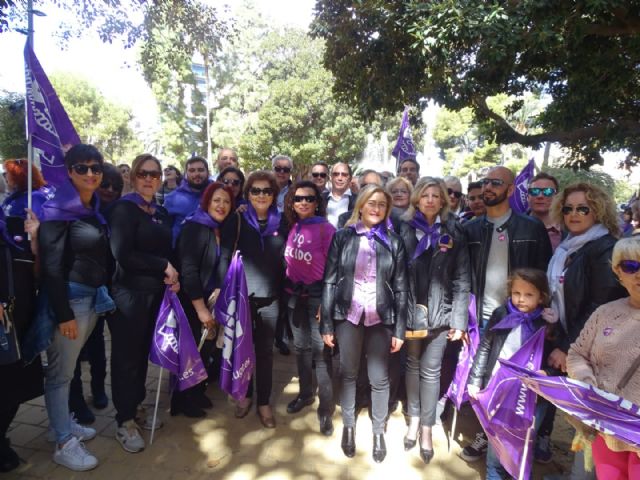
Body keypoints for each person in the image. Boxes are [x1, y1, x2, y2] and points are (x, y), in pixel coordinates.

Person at [461, 166, 552, 462]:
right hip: (484, 319)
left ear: (511, 189)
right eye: (485, 182)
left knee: (518, 389)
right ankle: (485, 436)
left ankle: (517, 443)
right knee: (485, 381)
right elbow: (463, 275)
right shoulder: (471, 228)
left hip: (522, 321)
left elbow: (542, 276)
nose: (488, 187)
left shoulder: (530, 228)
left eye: (495, 183)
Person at [321, 184, 409, 463]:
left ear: (387, 210)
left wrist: (399, 328)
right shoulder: (343, 237)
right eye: (371, 202)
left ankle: (379, 430)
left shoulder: (394, 242)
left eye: (382, 204)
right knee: (348, 373)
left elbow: (402, 287)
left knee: (379, 378)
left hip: (380, 317)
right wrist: (326, 323)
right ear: (361, 205)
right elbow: (330, 280)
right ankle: (348, 426)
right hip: (348, 314)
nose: (376, 208)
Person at [39, 144, 112, 471]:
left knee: (66, 370)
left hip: (91, 298)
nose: (90, 174)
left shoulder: (92, 209)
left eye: (95, 167)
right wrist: (63, 313)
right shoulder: (58, 211)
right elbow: (51, 268)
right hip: (71, 301)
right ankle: (63, 442)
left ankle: (62, 424)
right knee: (60, 373)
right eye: (81, 168)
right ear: (69, 172)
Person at [544, 182, 626, 470]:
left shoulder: (603, 248)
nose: (574, 214)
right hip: (572, 340)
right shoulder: (569, 247)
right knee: (581, 419)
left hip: (593, 351)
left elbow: (598, 306)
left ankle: (582, 475)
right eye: (568, 208)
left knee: (592, 422)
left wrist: (567, 347)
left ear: (598, 211)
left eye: (583, 208)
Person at [108, 154, 178, 454]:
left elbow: (167, 249)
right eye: (142, 173)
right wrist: (163, 265)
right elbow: (123, 254)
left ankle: (136, 407)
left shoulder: (160, 211)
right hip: (128, 295)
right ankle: (124, 421)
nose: (149, 178)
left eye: (154, 174)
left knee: (141, 357)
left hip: (155, 294)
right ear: (133, 177)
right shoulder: (123, 209)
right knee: (126, 358)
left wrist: (171, 274)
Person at [399, 177, 470, 464]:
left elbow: (462, 278)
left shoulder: (454, 231)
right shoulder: (404, 229)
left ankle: (427, 427)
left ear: (443, 200)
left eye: (435, 195)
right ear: (417, 199)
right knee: (412, 366)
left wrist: (459, 319)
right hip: (411, 314)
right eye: (424, 195)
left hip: (441, 316)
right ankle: (413, 419)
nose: (429, 200)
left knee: (431, 372)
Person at [467, 268, 557, 480]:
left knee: (524, 442)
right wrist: (475, 378)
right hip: (500, 389)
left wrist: (548, 372)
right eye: (516, 293)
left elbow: (556, 360)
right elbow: (485, 347)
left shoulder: (547, 323)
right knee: (497, 440)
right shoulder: (501, 314)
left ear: (541, 296)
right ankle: (494, 472)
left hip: (532, 397)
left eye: (528, 295)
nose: (521, 299)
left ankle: (516, 471)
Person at [218, 171, 288, 428]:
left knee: (265, 353)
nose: (261, 195)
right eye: (255, 191)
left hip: (271, 298)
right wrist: (221, 291)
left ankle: (264, 402)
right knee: (241, 348)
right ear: (247, 194)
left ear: (274, 195)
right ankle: (244, 395)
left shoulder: (282, 222)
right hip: (242, 297)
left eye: (266, 191)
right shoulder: (236, 220)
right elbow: (224, 257)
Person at [567, 237, 640, 480]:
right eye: (631, 266)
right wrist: (588, 382)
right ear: (618, 271)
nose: (639, 274)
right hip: (606, 429)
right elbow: (578, 353)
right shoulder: (605, 313)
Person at [68, 163, 123, 425]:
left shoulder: (117, 213)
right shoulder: (79, 211)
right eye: (106, 185)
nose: (110, 190)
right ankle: (76, 402)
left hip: (103, 290)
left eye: (116, 186)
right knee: (74, 353)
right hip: (77, 289)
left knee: (97, 345)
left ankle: (99, 389)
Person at [174, 182, 234, 417]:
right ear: (207, 201)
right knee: (190, 350)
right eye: (217, 200)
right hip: (192, 300)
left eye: (227, 201)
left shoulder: (219, 228)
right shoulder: (194, 227)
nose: (221, 205)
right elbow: (188, 270)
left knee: (204, 348)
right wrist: (200, 308)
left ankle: (196, 391)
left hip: (212, 299)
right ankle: (182, 400)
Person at [282, 180, 336, 435]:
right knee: (301, 348)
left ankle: (325, 410)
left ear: (317, 203)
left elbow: (334, 270)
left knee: (321, 354)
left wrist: (326, 302)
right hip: (295, 295)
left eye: (309, 198)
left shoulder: (326, 229)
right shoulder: (294, 226)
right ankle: (305, 394)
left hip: (317, 296)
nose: (303, 202)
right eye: (298, 198)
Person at [0, 209, 42, 473]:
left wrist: (36, 240)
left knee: (14, 391)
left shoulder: (13, 226)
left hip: (19, 326)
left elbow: (35, 270)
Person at [164, 156, 212, 242]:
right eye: (192, 170)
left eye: (201, 170)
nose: (196, 174)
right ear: (186, 174)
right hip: (180, 252)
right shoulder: (172, 198)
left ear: (208, 172)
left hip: (211, 250)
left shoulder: (217, 194)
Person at [528, 172, 562, 251]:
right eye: (534, 191)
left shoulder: (571, 229)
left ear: (556, 196)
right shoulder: (513, 226)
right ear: (528, 196)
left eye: (548, 191)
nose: (540, 196)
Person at [323, 162, 355, 228]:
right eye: (336, 174)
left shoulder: (358, 200)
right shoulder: (321, 199)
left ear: (350, 178)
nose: (340, 178)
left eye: (344, 175)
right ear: (330, 177)